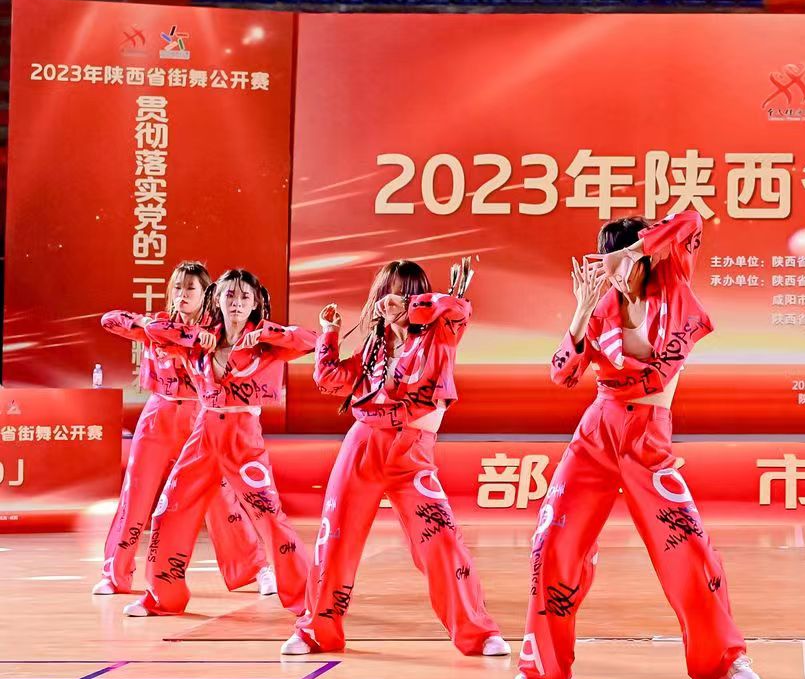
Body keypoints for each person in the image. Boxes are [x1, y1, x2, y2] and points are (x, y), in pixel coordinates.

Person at [516, 210, 759, 679]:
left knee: (688, 547)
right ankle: (543, 664)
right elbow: (562, 374)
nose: (609, 268)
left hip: (648, 439)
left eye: (619, 257)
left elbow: (691, 221)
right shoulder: (600, 306)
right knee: (552, 542)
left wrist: (638, 248)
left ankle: (725, 660)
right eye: (604, 258)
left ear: (646, 255)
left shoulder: (673, 284)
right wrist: (581, 313)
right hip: (596, 436)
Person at [283, 257, 508, 657]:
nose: (393, 301)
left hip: (412, 454)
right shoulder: (374, 347)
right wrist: (330, 333)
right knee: (334, 540)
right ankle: (315, 630)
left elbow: (460, 307)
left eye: (405, 293)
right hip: (362, 446)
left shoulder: (442, 333)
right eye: (387, 293)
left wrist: (412, 310)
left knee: (441, 540)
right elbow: (331, 380)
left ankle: (477, 632)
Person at [125, 269, 313, 618]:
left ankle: (306, 599)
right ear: (216, 299)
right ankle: (163, 597)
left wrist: (264, 332)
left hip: (243, 437)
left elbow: (309, 341)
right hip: (204, 433)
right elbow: (152, 331)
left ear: (256, 302)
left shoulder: (267, 345)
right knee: (169, 510)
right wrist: (194, 333)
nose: (236, 303)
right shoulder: (199, 341)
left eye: (244, 296)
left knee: (269, 517)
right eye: (229, 295)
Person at [94, 261, 271, 598]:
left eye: (191, 288)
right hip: (158, 415)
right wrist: (147, 324)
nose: (182, 294)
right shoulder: (158, 326)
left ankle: (255, 568)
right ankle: (114, 574)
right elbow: (109, 320)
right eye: (177, 287)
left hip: (200, 417)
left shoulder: (216, 333)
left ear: (208, 294)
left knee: (220, 496)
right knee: (136, 494)